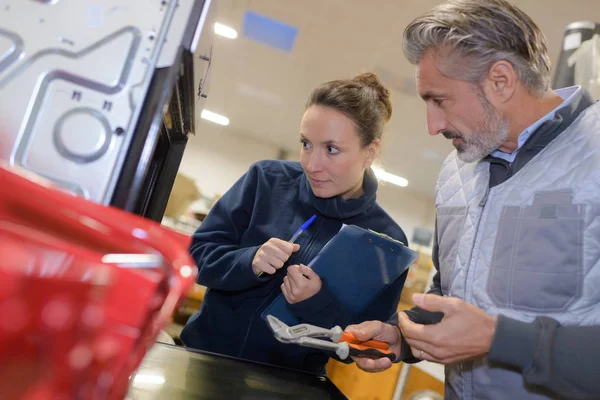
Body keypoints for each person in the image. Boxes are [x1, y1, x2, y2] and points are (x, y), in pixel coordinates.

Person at [346, 1, 600, 399]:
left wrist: (500, 340)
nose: (433, 126)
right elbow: (451, 289)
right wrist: (404, 337)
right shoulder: (456, 171)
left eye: (439, 100)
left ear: (500, 80)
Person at [180, 72, 409, 375]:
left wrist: (315, 304)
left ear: (370, 152)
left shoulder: (386, 241)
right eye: (306, 144)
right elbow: (196, 258)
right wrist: (251, 260)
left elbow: (359, 346)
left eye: (331, 149)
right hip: (202, 360)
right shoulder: (265, 180)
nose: (312, 165)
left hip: (287, 386)